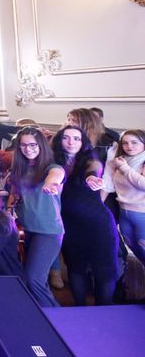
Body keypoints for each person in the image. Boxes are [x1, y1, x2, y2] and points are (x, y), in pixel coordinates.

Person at [51, 126, 118, 305]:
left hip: (98, 224)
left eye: (76, 138)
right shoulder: (52, 162)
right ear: (59, 140)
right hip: (70, 226)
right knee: (75, 268)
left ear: (83, 143)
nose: (71, 142)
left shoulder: (90, 160)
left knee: (103, 270)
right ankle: (80, 310)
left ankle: (104, 312)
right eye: (66, 138)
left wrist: (92, 178)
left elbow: (93, 170)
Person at [7, 127, 65, 307]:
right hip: (27, 229)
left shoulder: (51, 168)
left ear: (41, 145)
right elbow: (15, 195)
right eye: (23, 145)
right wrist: (9, 206)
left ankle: (57, 317)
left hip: (48, 231)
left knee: (33, 279)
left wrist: (51, 184)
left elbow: (56, 176)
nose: (28, 148)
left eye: (33, 144)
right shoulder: (19, 169)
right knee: (36, 278)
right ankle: (42, 313)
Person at [102, 129, 145, 265]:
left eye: (134, 143)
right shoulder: (119, 160)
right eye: (125, 143)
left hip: (142, 214)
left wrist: (125, 169)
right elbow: (108, 185)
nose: (129, 146)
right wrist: (98, 204)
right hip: (124, 212)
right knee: (137, 250)